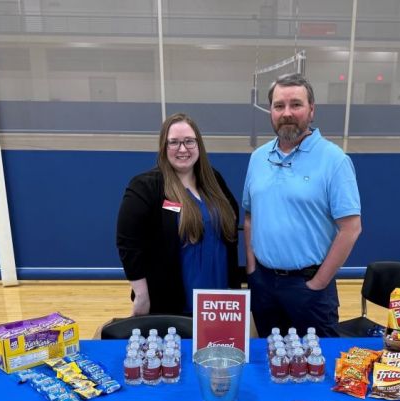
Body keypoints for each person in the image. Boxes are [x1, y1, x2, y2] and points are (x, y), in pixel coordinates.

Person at [242, 73, 361, 337]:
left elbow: (351, 229)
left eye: (295, 105)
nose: (287, 113)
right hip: (263, 285)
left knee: (318, 369)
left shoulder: (334, 160)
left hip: (310, 288)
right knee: (273, 364)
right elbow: (249, 217)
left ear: (311, 110)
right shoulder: (258, 158)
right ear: (270, 111)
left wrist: (318, 283)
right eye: (278, 106)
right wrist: (252, 268)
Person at [116, 113, 241, 316]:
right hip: (175, 304)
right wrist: (141, 295)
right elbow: (127, 243)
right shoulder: (146, 186)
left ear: (198, 144)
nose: (182, 149)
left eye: (189, 141)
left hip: (220, 301)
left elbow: (231, 228)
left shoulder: (213, 180)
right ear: (164, 148)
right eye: (174, 142)